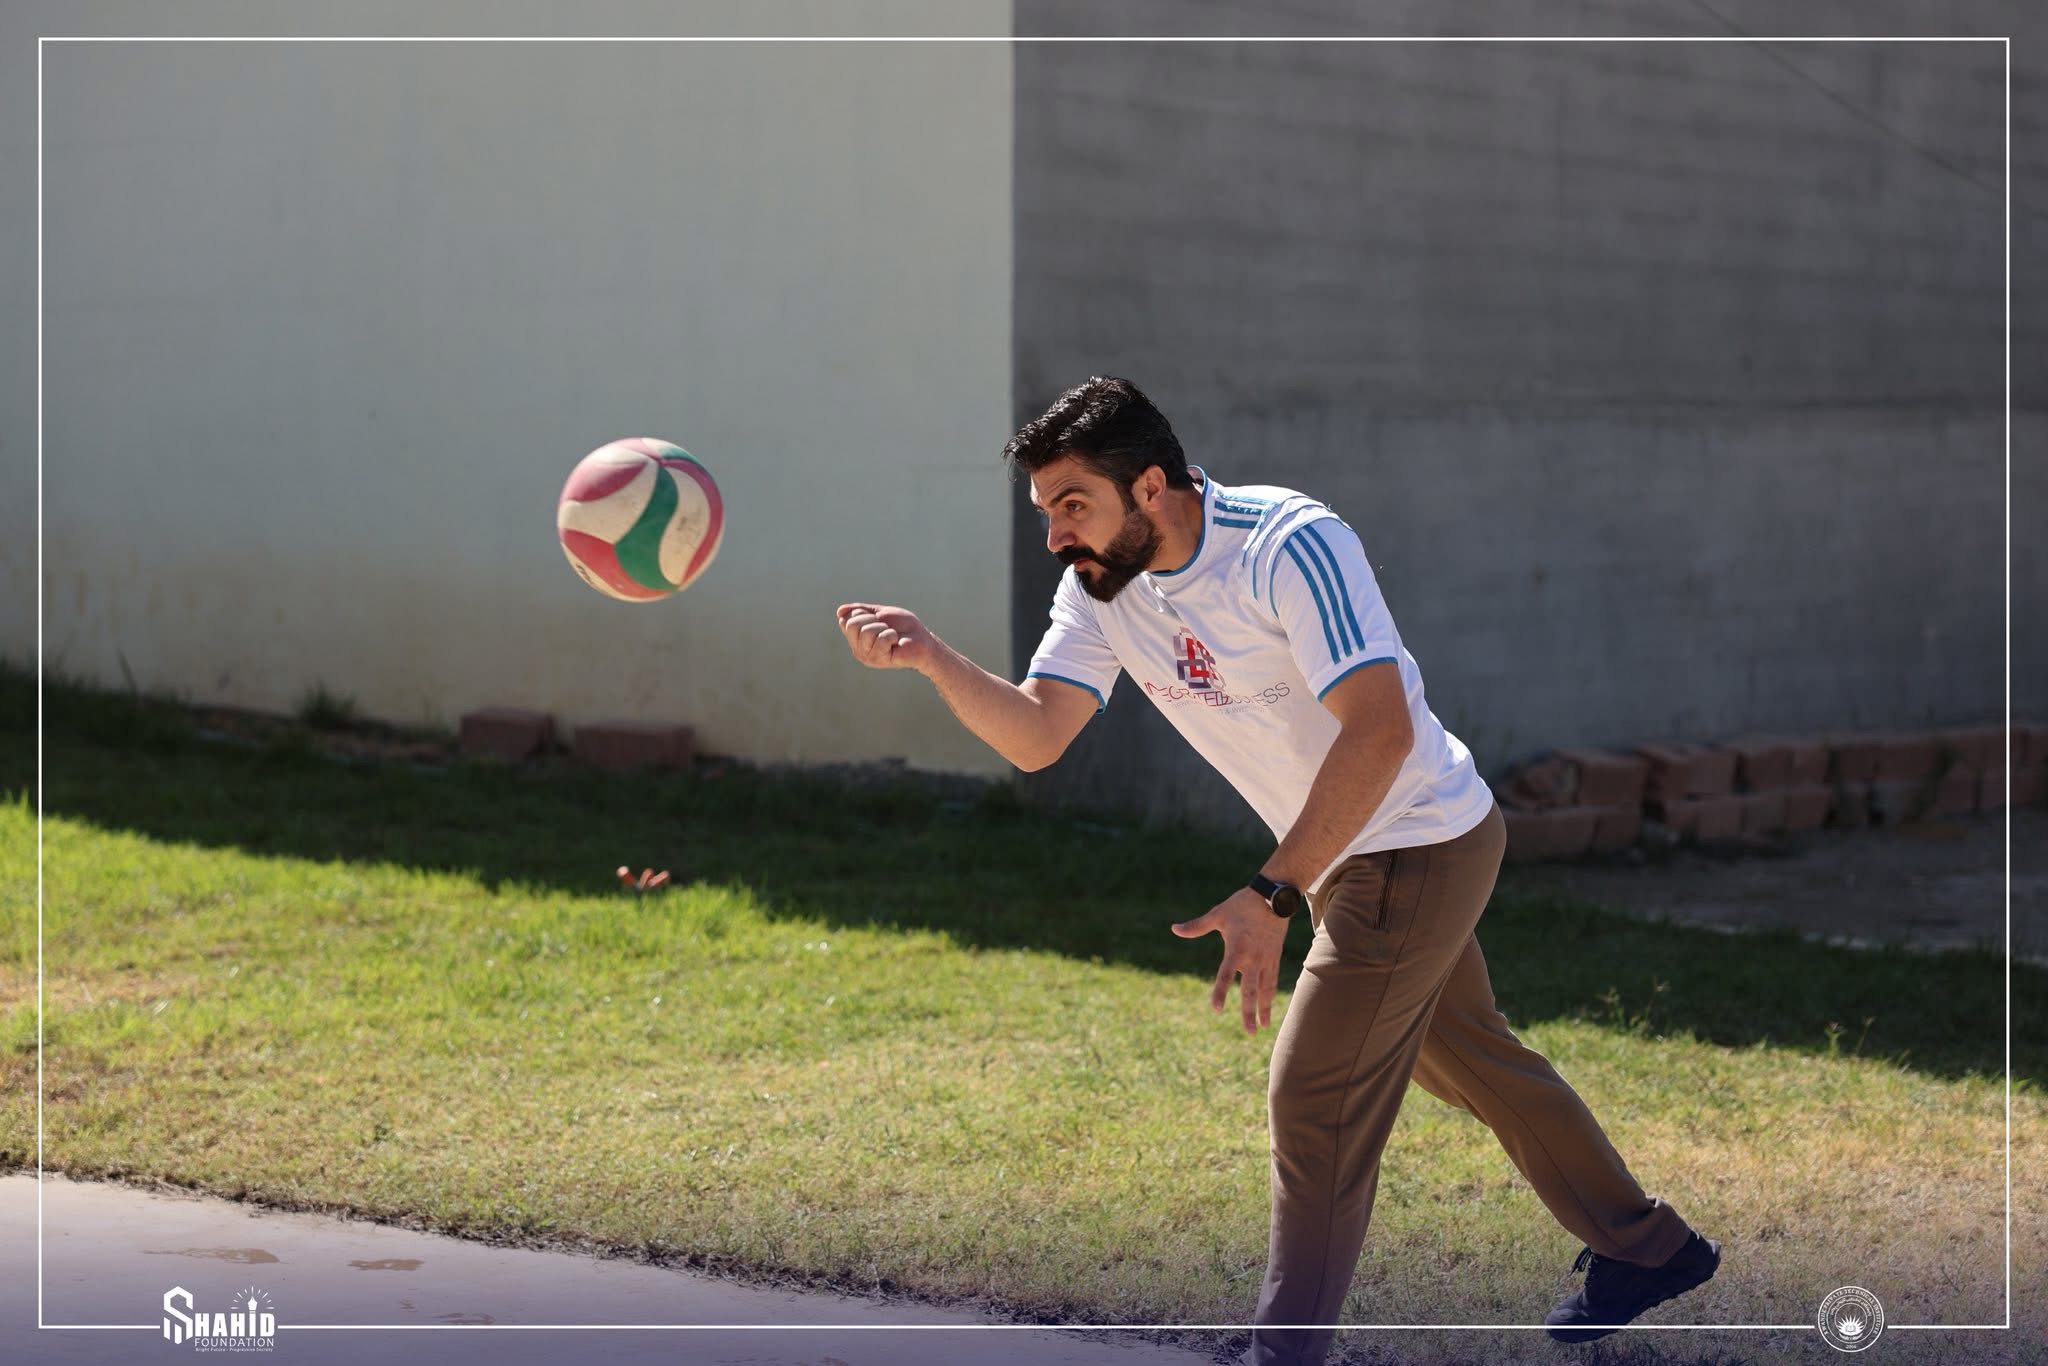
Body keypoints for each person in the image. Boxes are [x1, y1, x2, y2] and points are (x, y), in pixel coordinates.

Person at [834, 376, 1720, 1363]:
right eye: (1045, 511)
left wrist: (1271, 892)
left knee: (1315, 1095)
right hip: (1343, 854)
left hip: (1415, 837)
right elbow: (1039, 735)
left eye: (1071, 505)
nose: (1054, 535)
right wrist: (930, 656)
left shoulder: (1286, 545)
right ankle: (1649, 1248)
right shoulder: (1099, 586)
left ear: (1150, 486)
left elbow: (1380, 732)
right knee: (1477, 1062)